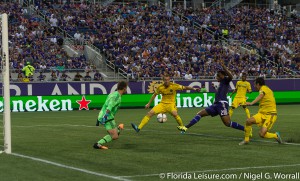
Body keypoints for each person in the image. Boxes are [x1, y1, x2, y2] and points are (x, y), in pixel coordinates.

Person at [177, 61, 245, 133]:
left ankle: (246, 129)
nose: (216, 78)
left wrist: (224, 67)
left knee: (228, 123)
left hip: (222, 104)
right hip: (216, 105)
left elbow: (231, 76)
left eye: (217, 76)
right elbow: (220, 93)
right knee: (200, 113)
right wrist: (215, 88)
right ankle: (185, 127)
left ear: (222, 76)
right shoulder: (221, 83)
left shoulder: (225, 80)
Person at [131, 74, 200, 133]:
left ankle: (182, 128)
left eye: (168, 80)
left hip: (171, 104)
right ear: (163, 80)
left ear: (169, 80)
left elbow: (185, 87)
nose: (166, 81)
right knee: (150, 113)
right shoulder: (160, 87)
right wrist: (148, 104)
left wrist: (194, 89)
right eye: (165, 80)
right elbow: (154, 95)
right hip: (162, 104)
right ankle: (138, 128)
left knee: (175, 114)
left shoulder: (174, 86)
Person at [239, 77, 282, 145]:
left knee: (262, 134)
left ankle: (276, 135)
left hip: (270, 114)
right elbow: (260, 96)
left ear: (258, 84)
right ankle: (246, 140)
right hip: (261, 113)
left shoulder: (264, 89)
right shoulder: (264, 89)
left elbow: (261, 95)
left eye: (255, 85)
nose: (254, 86)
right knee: (248, 121)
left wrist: (251, 103)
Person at [94, 81, 128, 150]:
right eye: (126, 88)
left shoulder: (113, 94)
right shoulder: (116, 96)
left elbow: (105, 105)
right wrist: (105, 117)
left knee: (115, 133)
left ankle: (118, 128)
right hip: (107, 117)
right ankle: (98, 144)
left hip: (103, 115)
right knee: (115, 136)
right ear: (124, 88)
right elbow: (109, 107)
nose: (126, 90)